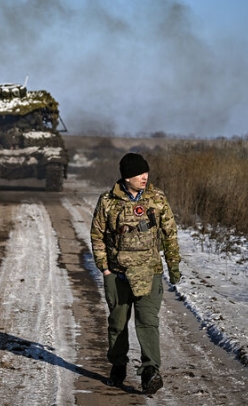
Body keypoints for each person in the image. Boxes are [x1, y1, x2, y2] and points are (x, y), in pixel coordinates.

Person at [90, 152, 181, 394]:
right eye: (140, 173)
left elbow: (170, 234)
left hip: (149, 273)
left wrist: (173, 266)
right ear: (127, 177)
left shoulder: (157, 198)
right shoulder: (108, 201)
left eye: (146, 172)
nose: (145, 176)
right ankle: (118, 365)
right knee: (117, 324)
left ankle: (151, 371)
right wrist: (105, 269)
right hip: (118, 276)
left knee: (148, 322)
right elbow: (97, 236)